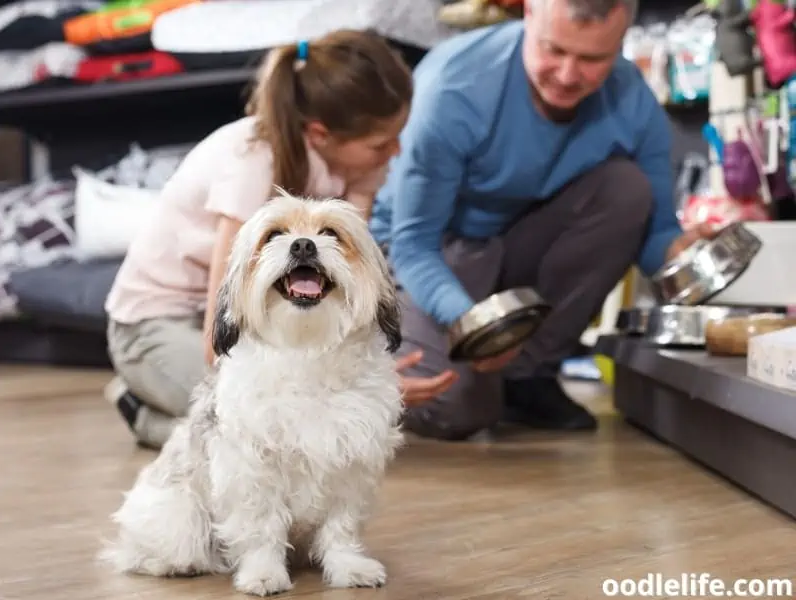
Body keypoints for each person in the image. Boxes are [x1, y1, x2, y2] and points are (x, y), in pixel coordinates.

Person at [368, 0, 716, 441]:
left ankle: (526, 376)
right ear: (529, 14)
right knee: (455, 410)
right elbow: (414, 245)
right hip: (432, 251)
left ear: (622, 39)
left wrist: (678, 251)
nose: (569, 75)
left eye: (593, 59)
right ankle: (383, 364)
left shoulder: (633, 99)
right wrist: (475, 325)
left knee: (628, 191)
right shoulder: (455, 87)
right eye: (554, 50)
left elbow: (656, 230)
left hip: (512, 239)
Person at [102, 29, 432, 449]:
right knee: (260, 431)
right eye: (380, 144)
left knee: (307, 413)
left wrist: (368, 376)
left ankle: (161, 395)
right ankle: (144, 410)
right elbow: (220, 332)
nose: (397, 152)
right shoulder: (251, 160)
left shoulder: (343, 164)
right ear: (319, 134)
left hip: (231, 322)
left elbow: (353, 277)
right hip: (154, 327)